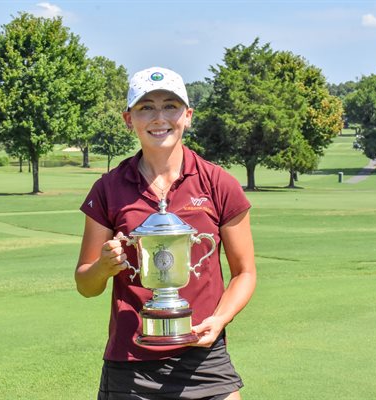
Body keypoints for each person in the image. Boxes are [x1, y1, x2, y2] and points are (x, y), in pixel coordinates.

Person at [75, 66, 256, 400]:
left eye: (170, 106)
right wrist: (103, 266)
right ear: (128, 119)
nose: (159, 117)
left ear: (187, 115)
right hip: (131, 364)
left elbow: (245, 273)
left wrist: (219, 321)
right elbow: (85, 284)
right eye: (146, 107)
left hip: (204, 358)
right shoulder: (108, 188)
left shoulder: (218, 183)